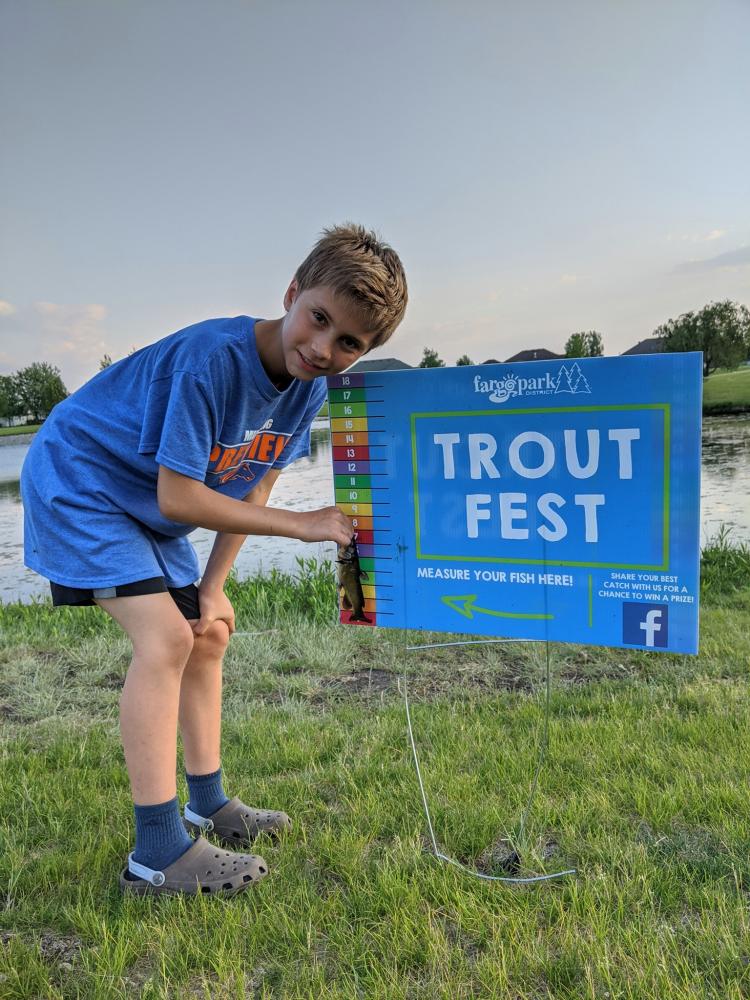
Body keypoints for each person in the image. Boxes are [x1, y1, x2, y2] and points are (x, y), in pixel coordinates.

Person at [21, 223, 407, 896]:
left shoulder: (308, 389)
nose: (322, 348)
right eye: (318, 320)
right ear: (292, 293)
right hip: (80, 479)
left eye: (349, 342)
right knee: (166, 639)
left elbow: (254, 483)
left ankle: (209, 802)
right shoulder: (212, 361)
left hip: (141, 498)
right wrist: (302, 526)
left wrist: (214, 586)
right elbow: (180, 497)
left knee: (208, 633)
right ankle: (157, 853)